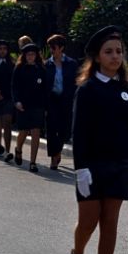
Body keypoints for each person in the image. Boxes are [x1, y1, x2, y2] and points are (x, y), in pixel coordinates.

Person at [69, 27, 128, 254]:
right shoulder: (87, 89)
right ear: (97, 57)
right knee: (88, 221)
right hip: (92, 165)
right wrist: (81, 168)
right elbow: (79, 132)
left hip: (119, 165)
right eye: (109, 52)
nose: (115, 56)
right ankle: (77, 252)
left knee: (110, 222)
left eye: (119, 52)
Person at [12, 43, 47, 172]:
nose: (31, 57)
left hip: (37, 105)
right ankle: (18, 149)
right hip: (23, 104)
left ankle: (33, 162)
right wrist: (17, 102)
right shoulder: (19, 68)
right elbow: (14, 87)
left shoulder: (41, 69)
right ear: (24, 56)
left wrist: (45, 105)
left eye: (33, 54)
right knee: (23, 131)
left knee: (36, 132)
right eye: (28, 54)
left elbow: (45, 88)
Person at [45, 34, 78, 170]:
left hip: (66, 100)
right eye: (50, 47)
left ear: (61, 48)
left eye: (54, 47)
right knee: (52, 129)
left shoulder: (72, 64)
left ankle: (57, 151)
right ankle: (54, 156)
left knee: (64, 130)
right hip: (52, 99)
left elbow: (76, 82)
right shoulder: (47, 64)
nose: (52, 50)